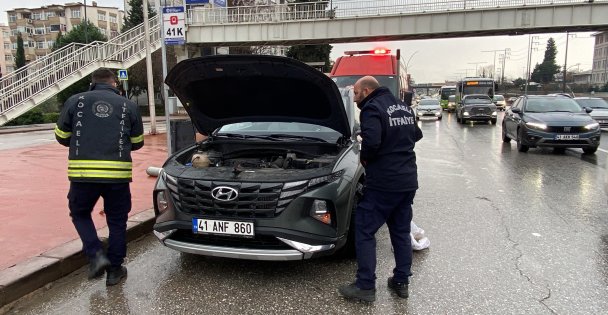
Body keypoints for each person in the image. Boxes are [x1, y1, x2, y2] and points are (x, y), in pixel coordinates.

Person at [54, 68, 144, 286]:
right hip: (118, 176)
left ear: (92, 83)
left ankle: (95, 255)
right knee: (117, 220)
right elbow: (138, 141)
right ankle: (114, 270)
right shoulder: (129, 105)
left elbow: (61, 136)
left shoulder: (75, 101)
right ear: (114, 83)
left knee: (80, 213)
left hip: (83, 174)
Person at [339, 76, 423, 302]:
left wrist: (365, 159)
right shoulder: (403, 107)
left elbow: (372, 143)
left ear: (366, 91)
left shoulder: (371, 108)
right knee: (400, 231)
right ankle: (401, 281)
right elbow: (417, 135)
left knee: (365, 230)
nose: (355, 99)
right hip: (407, 181)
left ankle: (365, 286)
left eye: (356, 94)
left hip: (384, 182)